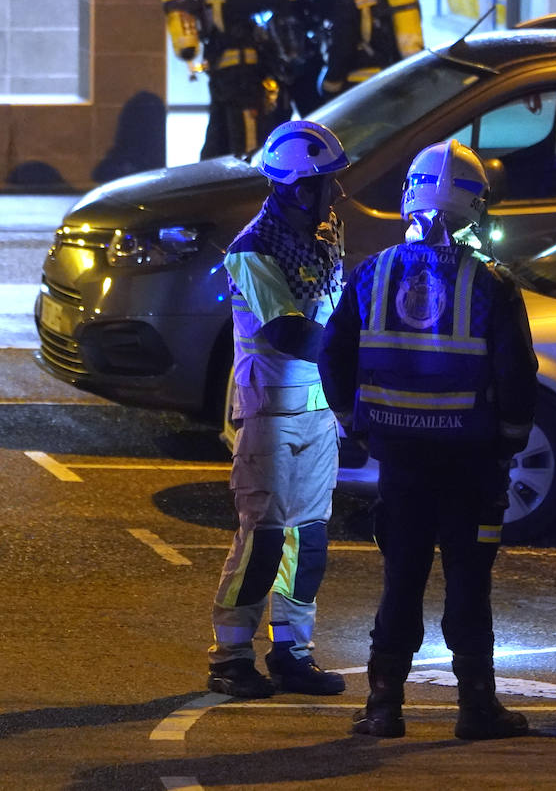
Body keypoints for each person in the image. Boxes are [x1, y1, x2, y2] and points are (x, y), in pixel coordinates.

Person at [319, 140, 538, 741]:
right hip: (472, 465)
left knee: (401, 581)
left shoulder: (373, 271)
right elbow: (518, 374)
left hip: (401, 462)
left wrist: (352, 423)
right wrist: (508, 443)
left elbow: (332, 352)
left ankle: (384, 708)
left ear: (408, 196)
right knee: (469, 582)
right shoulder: (492, 283)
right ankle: (476, 708)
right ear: (476, 207)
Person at [206, 119, 351, 698]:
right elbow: (292, 332)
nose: (335, 193)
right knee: (262, 539)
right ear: (295, 186)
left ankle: (292, 651)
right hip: (268, 414)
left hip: (316, 411)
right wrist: (359, 361)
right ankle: (231, 656)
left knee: (309, 539)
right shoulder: (252, 250)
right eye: (325, 183)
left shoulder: (325, 233)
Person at [184, 0, 296, 159]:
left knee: (217, 138)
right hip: (243, 80)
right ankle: (248, 193)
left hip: (220, 75)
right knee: (248, 144)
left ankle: (205, 188)